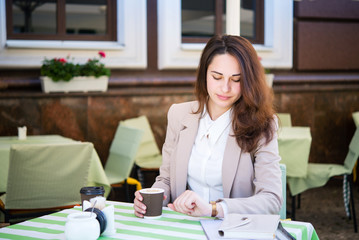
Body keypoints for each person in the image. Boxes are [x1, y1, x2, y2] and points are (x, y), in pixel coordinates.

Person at [134, 34, 282, 218]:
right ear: (204, 73)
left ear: (249, 81)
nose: (225, 88)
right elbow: (166, 179)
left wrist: (214, 209)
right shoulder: (178, 115)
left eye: (236, 80)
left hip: (234, 229)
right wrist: (150, 199)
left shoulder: (262, 124)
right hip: (184, 226)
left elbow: (272, 199)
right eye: (217, 77)